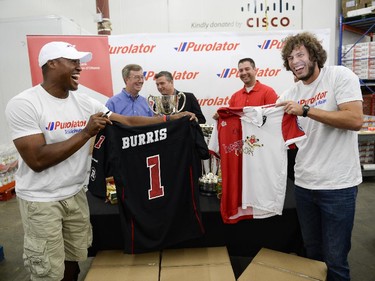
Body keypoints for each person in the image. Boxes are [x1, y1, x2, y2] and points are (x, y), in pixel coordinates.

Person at [5, 41, 196, 281]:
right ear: (51, 64)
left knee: (74, 261)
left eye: (80, 63)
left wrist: (171, 119)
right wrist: (85, 133)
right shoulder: (25, 104)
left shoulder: (84, 102)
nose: (79, 68)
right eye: (73, 62)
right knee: (48, 272)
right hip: (41, 199)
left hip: (75, 193)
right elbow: (37, 159)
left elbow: (126, 122)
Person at [276, 32, 363, 281]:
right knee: (312, 255)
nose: (295, 61)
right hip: (304, 186)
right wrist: (230, 117)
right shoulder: (290, 92)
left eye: (300, 54)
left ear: (314, 54)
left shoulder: (339, 76)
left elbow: (354, 119)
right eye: (291, 57)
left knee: (335, 260)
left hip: (338, 187)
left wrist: (306, 110)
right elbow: (263, 119)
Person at [212, 58, 278, 119]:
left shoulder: (268, 92)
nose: (244, 73)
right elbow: (231, 120)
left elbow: (274, 118)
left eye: (247, 69)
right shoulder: (234, 97)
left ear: (255, 70)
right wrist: (221, 118)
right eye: (241, 70)